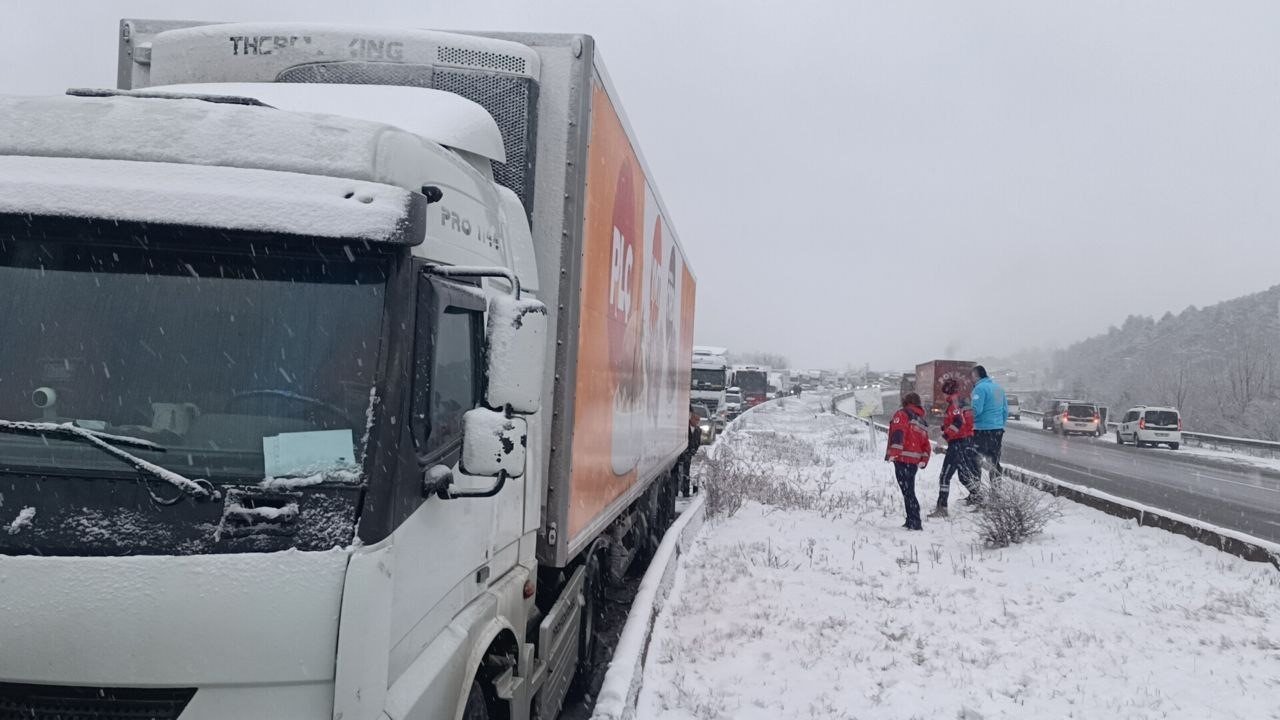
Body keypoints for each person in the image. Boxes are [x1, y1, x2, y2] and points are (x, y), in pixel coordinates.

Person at [929, 378, 980, 517]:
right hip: (966, 442)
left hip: (957, 444)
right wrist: (941, 428)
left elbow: (958, 422)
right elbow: (963, 422)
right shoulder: (962, 402)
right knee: (963, 475)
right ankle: (978, 498)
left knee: (945, 476)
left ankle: (942, 508)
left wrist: (944, 437)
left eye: (944, 392)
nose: (943, 395)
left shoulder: (954, 404)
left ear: (947, 391)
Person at [885, 392, 931, 530]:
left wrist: (894, 453)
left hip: (902, 459)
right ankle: (912, 519)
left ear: (905, 401)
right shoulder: (921, 420)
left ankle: (914, 521)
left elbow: (898, 433)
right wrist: (924, 459)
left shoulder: (902, 414)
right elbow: (926, 444)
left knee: (908, 492)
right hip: (913, 461)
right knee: (909, 490)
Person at [970, 365, 1008, 484]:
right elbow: (1005, 411)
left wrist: (967, 419)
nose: (972, 380)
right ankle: (996, 489)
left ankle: (975, 490)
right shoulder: (999, 388)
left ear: (976, 376)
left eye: (972, 377)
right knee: (994, 461)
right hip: (997, 431)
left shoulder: (979, 388)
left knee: (976, 460)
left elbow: (976, 410)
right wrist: (999, 425)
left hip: (981, 430)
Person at [680, 405, 701, 497]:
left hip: (691, 455)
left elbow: (698, 443)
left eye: (698, 420)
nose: (697, 422)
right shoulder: (684, 427)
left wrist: (694, 451)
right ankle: (685, 491)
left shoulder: (698, 430)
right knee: (685, 474)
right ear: (691, 418)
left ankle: (692, 492)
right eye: (695, 419)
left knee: (691, 474)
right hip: (684, 454)